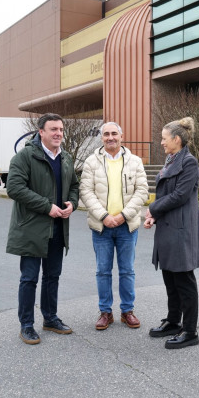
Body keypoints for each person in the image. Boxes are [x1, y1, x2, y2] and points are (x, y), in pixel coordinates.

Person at [5, 113, 80, 345]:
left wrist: (72, 203)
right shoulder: (25, 156)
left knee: (52, 277)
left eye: (61, 129)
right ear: (41, 132)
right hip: (31, 229)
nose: (58, 133)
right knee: (29, 278)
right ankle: (26, 325)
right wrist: (47, 207)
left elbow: (74, 187)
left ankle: (50, 318)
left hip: (58, 228)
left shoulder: (66, 158)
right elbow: (14, 188)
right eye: (53, 129)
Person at [79, 121, 149, 330]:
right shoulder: (91, 162)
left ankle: (127, 311)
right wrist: (104, 216)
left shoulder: (135, 161)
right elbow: (86, 192)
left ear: (121, 136)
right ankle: (105, 312)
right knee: (103, 271)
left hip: (126, 226)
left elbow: (142, 191)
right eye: (106, 134)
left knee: (127, 270)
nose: (110, 137)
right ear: (101, 137)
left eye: (114, 134)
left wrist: (123, 216)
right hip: (101, 227)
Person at [143, 117, 199, 350]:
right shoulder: (171, 160)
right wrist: (154, 216)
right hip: (168, 227)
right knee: (170, 277)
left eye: (164, 138)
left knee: (184, 281)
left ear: (177, 139)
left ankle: (189, 330)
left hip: (181, 230)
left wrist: (152, 209)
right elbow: (166, 195)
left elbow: (180, 195)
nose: (161, 142)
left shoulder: (189, 163)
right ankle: (173, 321)